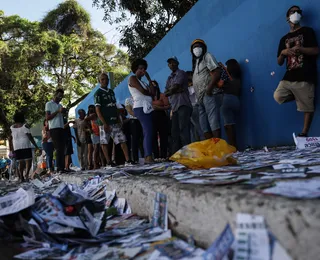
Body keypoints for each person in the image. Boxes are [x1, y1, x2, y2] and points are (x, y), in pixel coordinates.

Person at [274, 5, 319, 137]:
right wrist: (283, 52)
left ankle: (304, 133)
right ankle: (301, 97)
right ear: (288, 17)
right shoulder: (284, 39)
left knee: (308, 108)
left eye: (298, 11)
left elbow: (316, 50)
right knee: (278, 96)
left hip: (306, 74)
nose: (296, 13)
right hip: (289, 75)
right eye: (293, 12)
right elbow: (279, 61)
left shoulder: (307, 31)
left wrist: (301, 49)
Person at [95, 72, 131, 166]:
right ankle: (109, 162)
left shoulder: (111, 92)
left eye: (106, 79)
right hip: (104, 123)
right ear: (99, 81)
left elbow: (115, 106)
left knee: (122, 140)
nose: (105, 81)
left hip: (114, 121)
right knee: (104, 142)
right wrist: (104, 123)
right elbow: (98, 110)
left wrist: (119, 119)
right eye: (102, 79)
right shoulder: (98, 93)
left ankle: (128, 161)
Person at [191, 39, 222, 139]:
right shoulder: (195, 63)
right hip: (199, 98)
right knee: (203, 124)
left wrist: (209, 89)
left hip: (208, 93)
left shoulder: (207, 56)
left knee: (213, 119)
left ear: (203, 48)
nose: (196, 49)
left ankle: (217, 144)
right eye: (194, 47)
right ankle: (210, 145)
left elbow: (217, 71)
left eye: (198, 46)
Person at [128, 59, 156, 163]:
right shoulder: (132, 78)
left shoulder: (144, 82)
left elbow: (153, 93)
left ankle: (148, 155)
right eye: (140, 68)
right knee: (148, 130)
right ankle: (148, 156)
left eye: (144, 69)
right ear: (135, 69)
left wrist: (149, 79)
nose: (142, 70)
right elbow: (143, 91)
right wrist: (149, 93)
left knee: (149, 131)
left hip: (147, 107)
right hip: (140, 107)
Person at [165, 56, 192, 154]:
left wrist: (173, 90)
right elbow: (166, 92)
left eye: (173, 62)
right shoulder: (169, 78)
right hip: (174, 107)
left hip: (183, 104)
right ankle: (176, 155)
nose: (172, 64)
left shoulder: (181, 73)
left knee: (184, 130)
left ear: (177, 63)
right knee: (174, 132)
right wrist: (174, 90)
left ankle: (187, 154)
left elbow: (174, 88)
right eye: (170, 63)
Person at [9, 112, 39, 181]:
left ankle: (21, 177)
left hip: (17, 147)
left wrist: (11, 149)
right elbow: (30, 137)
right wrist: (36, 146)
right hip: (25, 145)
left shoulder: (12, 127)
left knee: (20, 162)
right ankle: (27, 175)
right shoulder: (25, 126)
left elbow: (10, 138)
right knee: (29, 161)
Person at [220, 59, 242, 148]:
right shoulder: (238, 77)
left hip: (226, 100)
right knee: (232, 124)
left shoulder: (226, 78)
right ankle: (235, 146)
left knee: (228, 125)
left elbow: (220, 84)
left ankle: (233, 147)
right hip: (236, 100)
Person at [45, 89, 66, 173]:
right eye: (59, 96)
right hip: (54, 128)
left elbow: (62, 115)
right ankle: (58, 167)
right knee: (58, 148)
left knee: (62, 148)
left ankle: (62, 167)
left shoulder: (60, 105)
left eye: (61, 96)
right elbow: (48, 117)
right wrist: (57, 111)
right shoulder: (49, 104)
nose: (60, 98)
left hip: (61, 127)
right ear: (55, 94)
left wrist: (64, 112)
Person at [152, 81, 170, 160]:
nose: (153, 86)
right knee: (153, 136)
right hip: (152, 117)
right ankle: (156, 156)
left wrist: (158, 108)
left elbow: (168, 106)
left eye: (154, 85)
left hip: (161, 116)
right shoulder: (148, 97)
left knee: (163, 136)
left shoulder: (162, 95)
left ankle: (163, 155)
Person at [124, 97, 144, 163]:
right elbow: (129, 110)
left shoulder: (141, 97)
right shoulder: (128, 99)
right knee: (135, 139)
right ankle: (135, 158)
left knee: (142, 138)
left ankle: (144, 156)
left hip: (143, 120)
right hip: (134, 120)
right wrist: (138, 116)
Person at [186, 71, 203, 142]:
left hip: (189, 109)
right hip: (195, 107)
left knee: (194, 130)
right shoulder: (192, 88)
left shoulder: (186, 89)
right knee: (200, 128)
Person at [86, 105, 100, 169]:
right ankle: (94, 164)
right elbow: (85, 120)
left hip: (98, 132)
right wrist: (90, 129)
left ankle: (98, 163)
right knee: (95, 148)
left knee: (98, 149)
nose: (91, 109)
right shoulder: (91, 115)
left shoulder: (96, 114)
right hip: (94, 133)